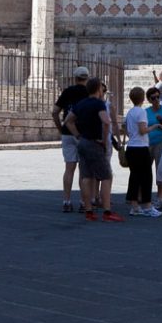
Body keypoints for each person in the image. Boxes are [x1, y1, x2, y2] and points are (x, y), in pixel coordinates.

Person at [69, 78, 120, 221]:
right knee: (106, 176)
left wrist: (77, 135)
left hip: (83, 141)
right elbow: (106, 122)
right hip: (94, 143)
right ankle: (107, 211)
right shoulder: (99, 104)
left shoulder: (80, 104)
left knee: (86, 177)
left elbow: (68, 120)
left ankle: (89, 211)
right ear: (98, 89)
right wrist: (104, 141)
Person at [53, 66, 91, 213]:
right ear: (87, 78)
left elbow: (55, 112)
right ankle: (83, 202)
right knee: (83, 169)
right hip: (84, 134)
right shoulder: (89, 93)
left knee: (69, 168)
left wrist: (60, 128)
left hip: (67, 133)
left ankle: (66, 201)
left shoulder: (67, 91)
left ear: (75, 78)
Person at [122, 87, 159, 216]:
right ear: (143, 98)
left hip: (131, 147)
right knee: (146, 176)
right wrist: (154, 126)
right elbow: (143, 130)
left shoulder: (130, 112)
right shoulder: (141, 112)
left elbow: (124, 127)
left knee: (134, 177)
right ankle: (147, 205)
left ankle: (134, 206)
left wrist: (131, 135)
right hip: (141, 148)